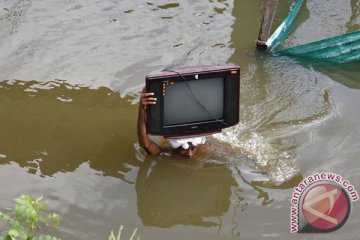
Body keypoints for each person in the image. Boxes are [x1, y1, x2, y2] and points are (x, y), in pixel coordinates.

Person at [137, 88, 211, 158]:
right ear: (176, 148)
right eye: (183, 149)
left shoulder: (204, 151)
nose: (190, 154)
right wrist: (142, 109)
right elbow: (145, 145)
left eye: (193, 149)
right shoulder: (169, 154)